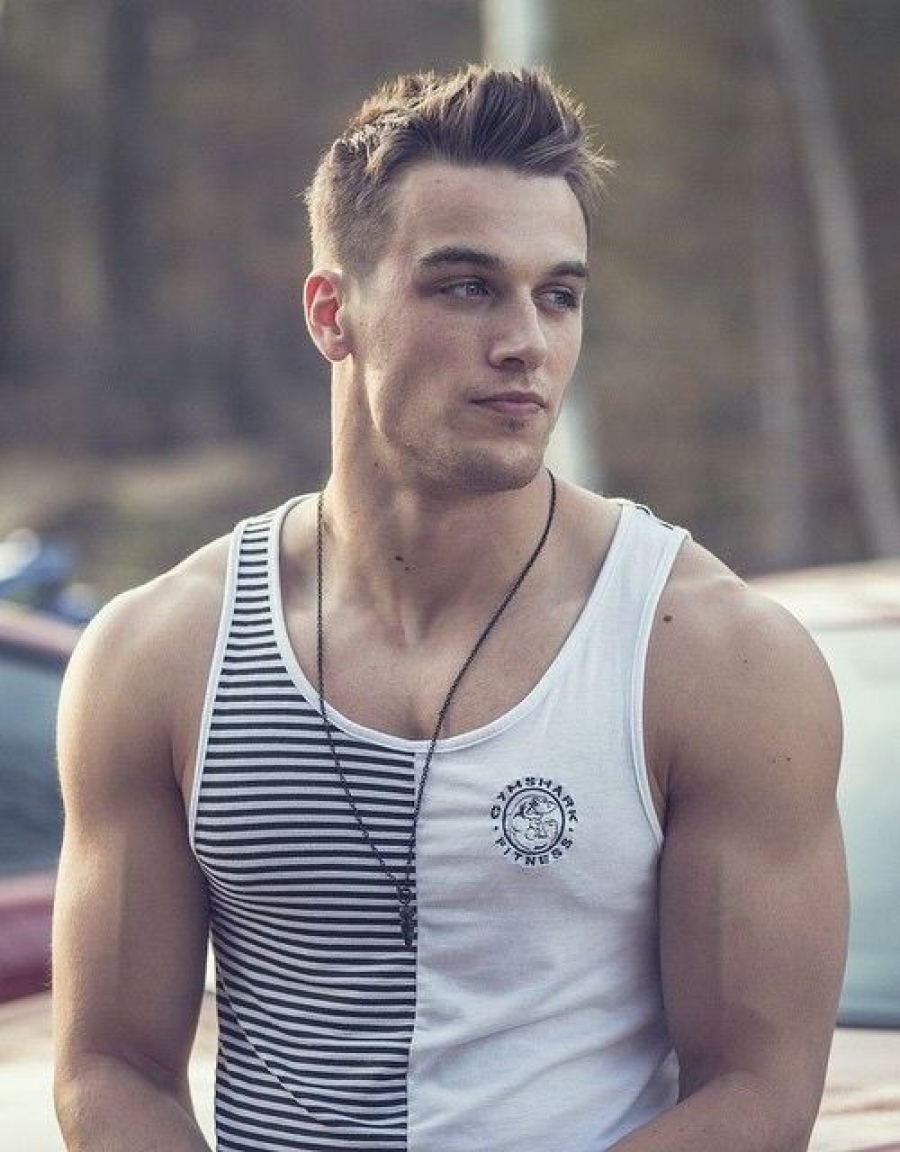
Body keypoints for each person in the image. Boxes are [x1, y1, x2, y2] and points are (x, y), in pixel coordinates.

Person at [53, 64, 847, 1152]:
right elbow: (110, 1066)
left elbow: (758, 1094)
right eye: (468, 287)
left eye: (558, 295)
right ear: (333, 312)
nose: (526, 341)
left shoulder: (712, 656)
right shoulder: (164, 653)